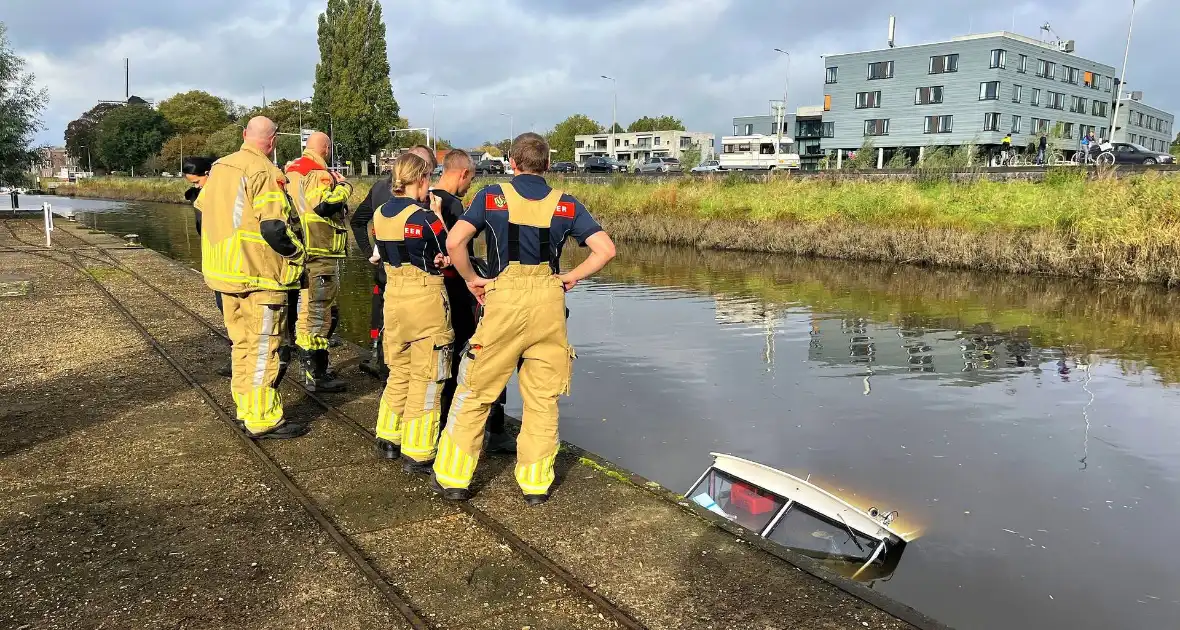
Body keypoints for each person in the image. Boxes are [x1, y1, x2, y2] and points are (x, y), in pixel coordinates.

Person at [433, 133, 616, 505]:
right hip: (549, 304)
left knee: (476, 390)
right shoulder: (566, 204)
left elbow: (454, 243)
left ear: (512, 162)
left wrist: (471, 280)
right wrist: (570, 276)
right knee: (542, 398)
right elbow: (605, 249)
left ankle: (454, 479)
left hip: (504, 301)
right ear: (547, 164)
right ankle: (535, 485)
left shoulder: (491, 196)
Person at [196, 116, 307, 439]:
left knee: (241, 346)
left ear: (245, 135)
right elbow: (273, 227)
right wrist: (298, 255)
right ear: (272, 142)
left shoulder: (220, 167)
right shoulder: (267, 173)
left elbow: (201, 210)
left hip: (223, 273)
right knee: (264, 349)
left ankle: (245, 409)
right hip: (259, 276)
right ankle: (262, 419)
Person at [372, 153, 455, 473]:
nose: (430, 185)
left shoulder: (381, 213)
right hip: (425, 301)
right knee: (429, 374)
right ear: (420, 179)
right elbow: (447, 250)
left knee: (400, 370)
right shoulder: (424, 217)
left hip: (394, 298)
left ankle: (389, 435)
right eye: (428, 179)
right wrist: (437, 214)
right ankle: (419, 450)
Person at [432, 149, 515, 455]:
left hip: (432, 296)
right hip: (460, 292)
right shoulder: (452, 205)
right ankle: (494, 429)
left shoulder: (424, 199)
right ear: (464, 173)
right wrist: (473, 276)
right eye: (471, 178)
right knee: (484, 356)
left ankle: (442, 424)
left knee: (444, 361)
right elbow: (454, 244)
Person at [352, 144, 437, 378]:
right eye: (427, 172)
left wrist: (371, 253)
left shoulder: (380, 190)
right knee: (421, 362)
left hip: (387, 271)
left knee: (390, 341)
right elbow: (443, 244)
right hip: (420, 283)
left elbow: (358, 221)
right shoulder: (427, 204)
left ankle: (380, 360)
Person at [285, 131, 352, 393]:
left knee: (306, 310)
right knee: (319, 313)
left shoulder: (291, 170)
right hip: (320, 249)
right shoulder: (319, 173)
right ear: (325, 148)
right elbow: (324, 206)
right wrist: (345, 186)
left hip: (300, 250)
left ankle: (309, 370)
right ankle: (317, 375)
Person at [183, 156, 232, 378]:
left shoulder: (221, 197)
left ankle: (240, 359)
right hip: (217, 262)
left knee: (232, 312)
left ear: (209, 174)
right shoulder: (204, 197)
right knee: (226, 310)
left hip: (229, 262)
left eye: (197, 181)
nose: (196, 186)